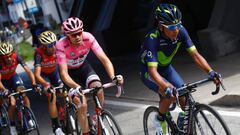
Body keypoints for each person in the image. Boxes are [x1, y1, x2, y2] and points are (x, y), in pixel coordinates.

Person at [139, 4, 222, 134]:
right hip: (149, 72)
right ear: (161, 26)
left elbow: (195, 55)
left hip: (166, 69)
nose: (176, 30)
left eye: (178, 25)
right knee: (169, 94)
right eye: (172, 27)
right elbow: (153, 71)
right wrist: (166, 87)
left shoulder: (181, 31)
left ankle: (182, 123)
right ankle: (160, 118)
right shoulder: (152, 39)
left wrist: (211, 72)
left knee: (184, 97)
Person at [55, 17, 124, 135]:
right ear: (67, 36)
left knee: (98, 87)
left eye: (79, 33)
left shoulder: (88, 38)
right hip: (70, 75)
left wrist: (113, 76)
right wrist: (76, 87)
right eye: (73, 35)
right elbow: (63, 73)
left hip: (83, 68)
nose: (77, 36)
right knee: (82, 104)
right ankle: (86, 133)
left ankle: (97, 118)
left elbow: (104, 59)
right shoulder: (61, 45)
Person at [0, 42, 38, 135]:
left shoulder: (17, 57)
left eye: (9, 55)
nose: (8, 58)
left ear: (12, 53)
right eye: (5, 57)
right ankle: (12, 125)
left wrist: (34, 83)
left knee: (23, 93)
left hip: (13, 78)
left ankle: (29, 117)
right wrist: (4, 90)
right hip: (3, 82)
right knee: (12, 103)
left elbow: (28, 71)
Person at [33, 31, 65, 135]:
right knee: (51, 95)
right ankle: (56, 126)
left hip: (55, 73)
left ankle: (67, 111)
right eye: (50, 45)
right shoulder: (38, 53)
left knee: (64, 92)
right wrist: (46, 85)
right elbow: (37, 75)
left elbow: (65, 65)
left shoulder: (58, 48)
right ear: (44, 47)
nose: (53, 47)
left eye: (54, 43)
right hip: (44, 75)